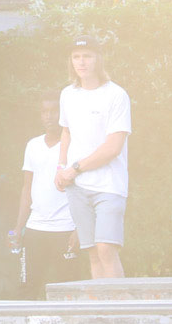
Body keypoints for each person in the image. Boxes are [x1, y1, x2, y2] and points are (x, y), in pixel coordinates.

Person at [53, 36, 131, 280]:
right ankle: (103, 312)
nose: (81, 62)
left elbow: (113, 147)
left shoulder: (116, 95)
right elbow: (66, 131)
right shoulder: (67, 94)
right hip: (77, 188)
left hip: (109, 186)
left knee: (106, 248)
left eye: (87, 55)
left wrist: (74, 169)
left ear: (98, 59)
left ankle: (123, 310)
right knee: (93, 253)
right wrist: (60, 167)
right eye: (76, 57)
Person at [10, 94, 80, 298]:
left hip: (65, 229)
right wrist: (18, 228)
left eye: (54, 111)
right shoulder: (32, 145)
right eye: (44, 111)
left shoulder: (74, 146)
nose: (49, 116)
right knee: (27, 288)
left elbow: (83, 189)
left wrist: (79, 228)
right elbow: (27, 188)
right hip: (35, 228)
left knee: (68, 291)